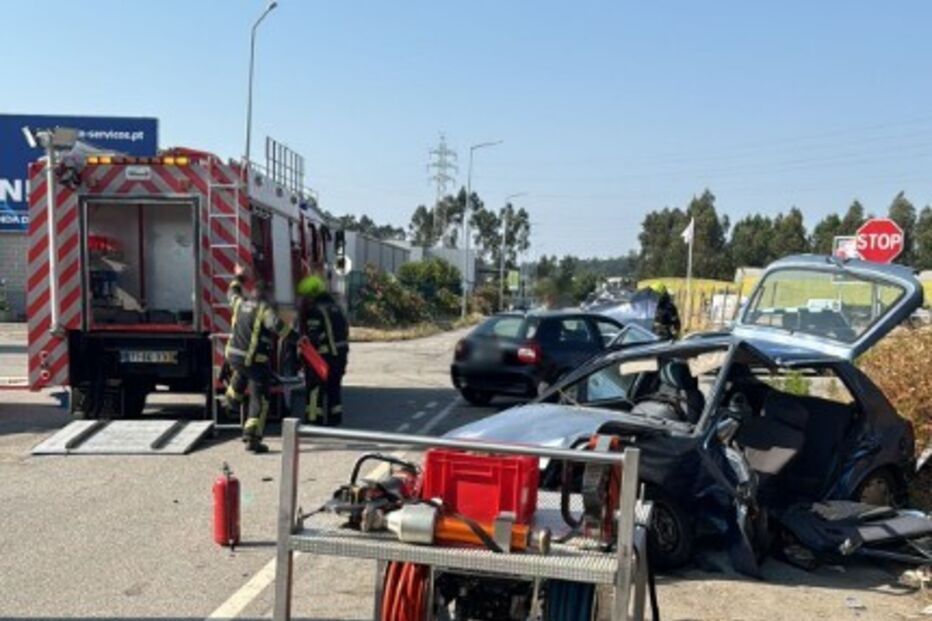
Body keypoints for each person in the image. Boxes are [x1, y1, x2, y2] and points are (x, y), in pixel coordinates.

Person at [224, 266, 294, 453]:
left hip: (234, 356)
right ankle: (252, 438)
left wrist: (239, 277)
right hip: (253, 360)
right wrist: (296, 338)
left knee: (241, 374)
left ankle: (231, 402)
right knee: (261, 398)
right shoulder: (264, 309)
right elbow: (277, 326)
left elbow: (231, 293)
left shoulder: (241, 303)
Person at [297, 275, 349, 426]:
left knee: (315, 388)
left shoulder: (316, 311)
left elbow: (314, 337)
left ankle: (314, 419)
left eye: (306, 296)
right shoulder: (336, 308)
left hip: (324, 356)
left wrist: (303, 354)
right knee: (334, 386)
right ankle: (335, 418)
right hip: (341, 354)